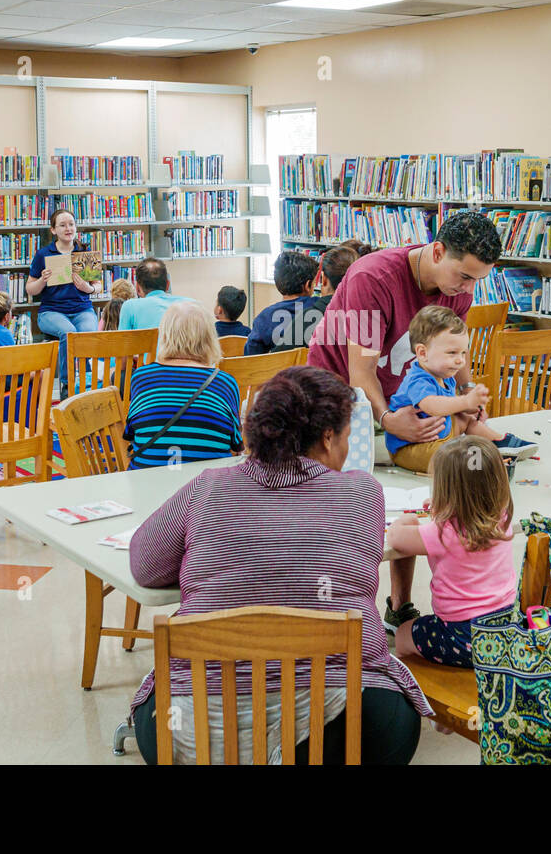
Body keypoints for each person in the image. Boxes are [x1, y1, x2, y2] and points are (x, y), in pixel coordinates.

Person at [128, 365, 430, 764]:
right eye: (345, 436)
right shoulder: (362, 493)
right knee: (390, 717)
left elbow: (145, 565)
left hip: (197, 725)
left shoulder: (209, 487)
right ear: (327, 436)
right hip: (340, 715)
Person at [307, 210, 501, 630]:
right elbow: (360, 374)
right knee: (372, 495)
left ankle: (399, 605)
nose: (467, 290)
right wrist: (390, 418)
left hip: (401, 398)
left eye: (475, 281)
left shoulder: (459, 290)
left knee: (415, 493)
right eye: (464, 277)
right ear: (436, 251)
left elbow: (455, 353)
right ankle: (346, 611)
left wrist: (468, 397)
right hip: (341, 406)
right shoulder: (370, 278)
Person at [388, 435, 517, 669]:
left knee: (402, 637)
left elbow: (396, 538)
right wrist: (446, 507)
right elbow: (473, 498)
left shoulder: (442, 532)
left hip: (460, 636)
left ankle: (430, 684)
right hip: (506, 628)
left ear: (449, 491)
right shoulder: (502, 517)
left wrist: (406, 518)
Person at [385, 306, 536, 473]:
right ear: (422, 353)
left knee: (465, 419)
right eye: (452, 353)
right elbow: (431, 406)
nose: (460, 361)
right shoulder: (418, 379)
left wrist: (471, 407)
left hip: (442, 435)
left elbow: (451, 409)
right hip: (412, 447)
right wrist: (465, 401)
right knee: (448, 456)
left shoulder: (445, 376)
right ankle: (478, 466)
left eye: (463, 353)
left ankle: (498, 442)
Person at [123, 301, 242, 470]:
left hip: (146, 484)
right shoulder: (225, 383)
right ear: (209, 338)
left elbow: (131, 434)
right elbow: (236, 445)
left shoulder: (141, 377)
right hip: (206, 491)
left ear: (165, 336)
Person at [27, 207, 100, 397]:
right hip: (51, 311)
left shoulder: (84, 252)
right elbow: (30, 289)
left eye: (71, 224)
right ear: (53, 230)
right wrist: (42, 280)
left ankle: (86, 385)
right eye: (62, 225)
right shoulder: (44, 254)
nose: (68, 228)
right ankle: (67, 389)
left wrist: (89, 288)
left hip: (82, 309)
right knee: (69, 334)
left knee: (85, 335)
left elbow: (98, 286)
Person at [244, 250, 318, 355]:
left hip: (278, 370)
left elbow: (251, 357)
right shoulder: (320, 307)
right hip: (316, 370)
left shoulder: (265, 317)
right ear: (308, 285)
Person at [119, 257, 189, 331]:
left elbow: (122, 341)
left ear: (138, 288)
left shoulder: (129, 307)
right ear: (168, 285)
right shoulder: (191, 305)